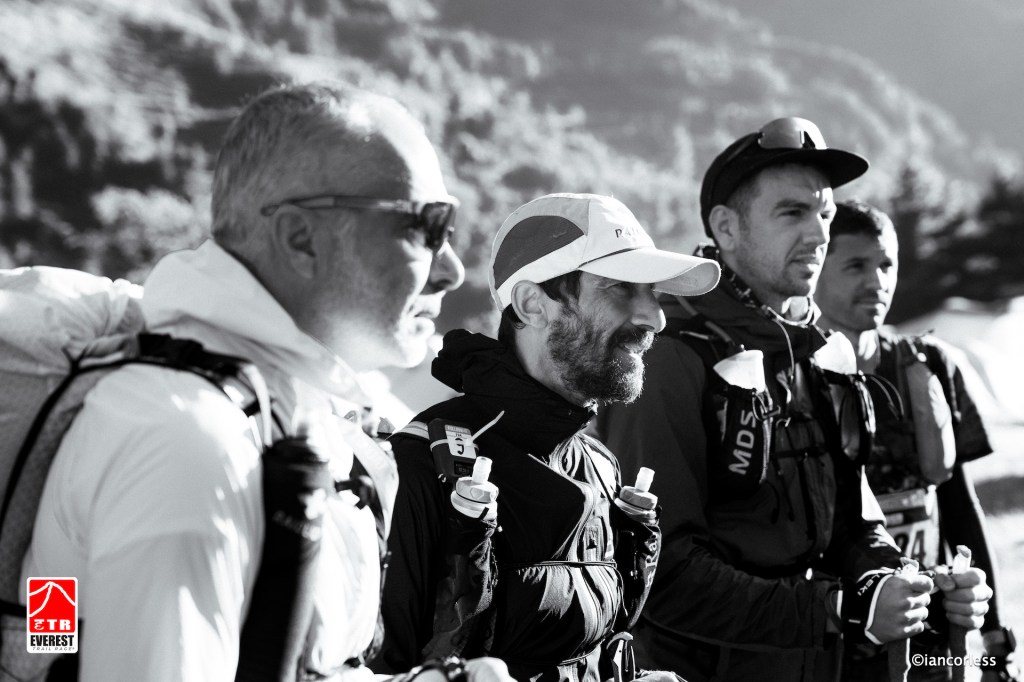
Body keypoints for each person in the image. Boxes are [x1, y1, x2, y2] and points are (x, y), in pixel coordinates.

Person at [22, 82, 512, 682]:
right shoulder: (187, 446)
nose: (452, 269)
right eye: (425, 227)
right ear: (301, 238)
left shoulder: (280, 409)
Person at [593, 117, 993, 682]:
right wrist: (837, 610)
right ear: (726, 228)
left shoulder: (818, 354)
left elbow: (855, 523)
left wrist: (903, 584)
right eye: (792, 213)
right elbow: (660, 571)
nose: (818, 234)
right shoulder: (670, 358)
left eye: (825, 214)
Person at [370, 193, 722, 682]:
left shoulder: (600, 465)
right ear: (532, 304)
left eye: (654, 292)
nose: (655, 317)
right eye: (622, 287)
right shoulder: (417, 465)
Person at [815, 200, 1019, 682]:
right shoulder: (795, 375)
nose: (877, 281)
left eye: (887, 265)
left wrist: (995, 641)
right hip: (835, 637)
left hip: (930, 635)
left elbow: (959, 505)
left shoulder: (928, 365)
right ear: (816, 268)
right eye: (856, 265)